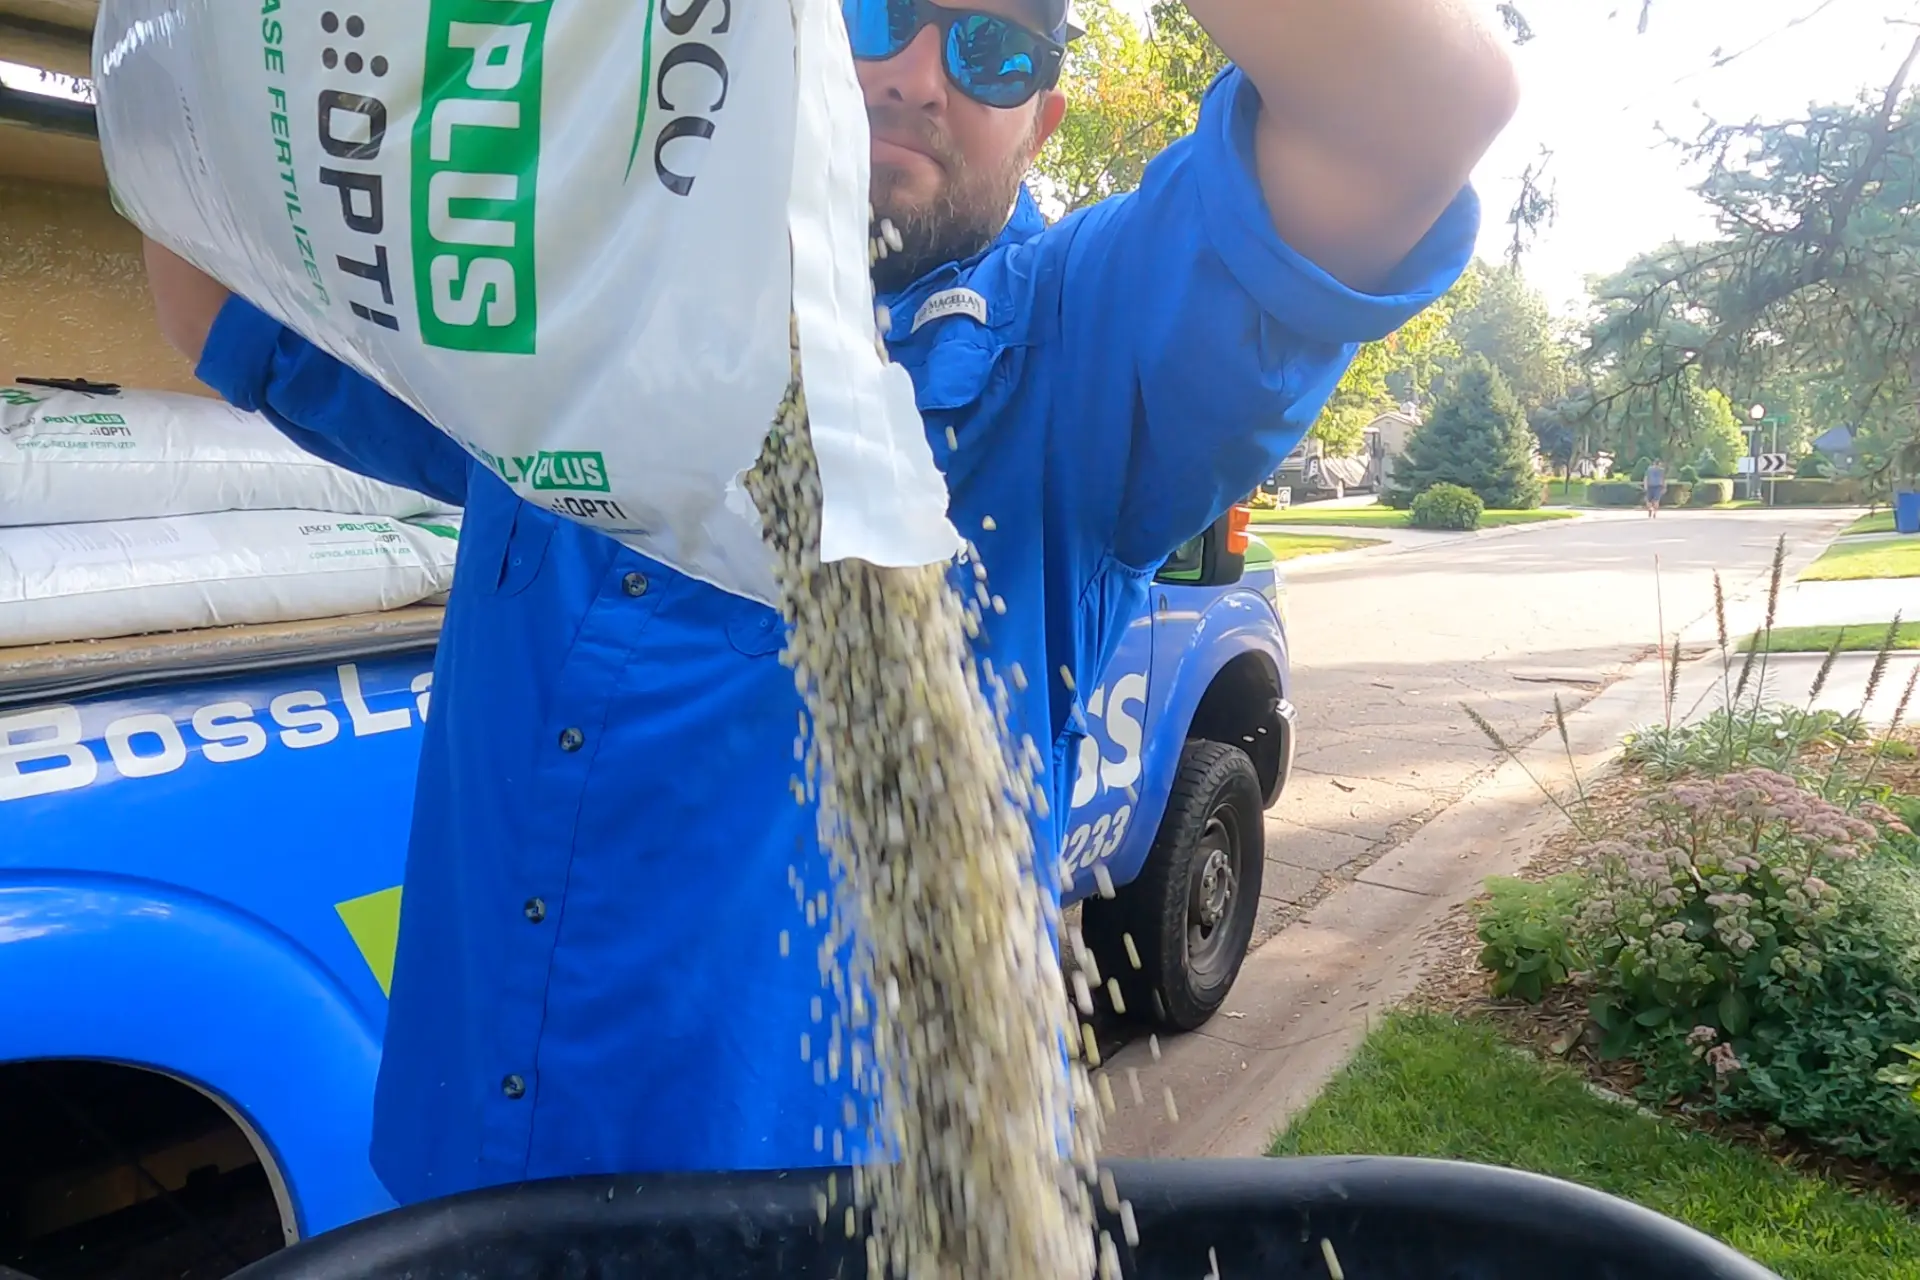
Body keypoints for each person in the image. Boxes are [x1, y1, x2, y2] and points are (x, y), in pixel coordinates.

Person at [140, 0, 1516, 1205]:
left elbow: (1418, 111)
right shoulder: (569, 319)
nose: (917, 72)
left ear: (1040, 123)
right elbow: (212, 284)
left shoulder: (1082, 360)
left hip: (854, 1228)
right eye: (873, 11)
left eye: (993, 48)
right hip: (469, 1188)